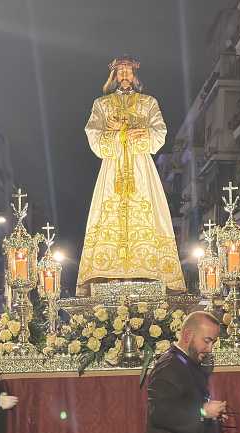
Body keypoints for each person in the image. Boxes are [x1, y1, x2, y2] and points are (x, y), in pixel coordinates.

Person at [77, 55, 186, 294]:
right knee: (108, 213)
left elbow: (159, 132)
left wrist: (138, 132)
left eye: (128, 71)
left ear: (135, 75)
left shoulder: (148, 103)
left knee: (147, 212)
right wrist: (118, 135)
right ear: (114, 76)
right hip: (112, 168)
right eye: (120, 72)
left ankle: (147, 270)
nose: (125, 76)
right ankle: (106, 272)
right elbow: (93, 135)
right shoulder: (102, 105)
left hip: (140, 168)